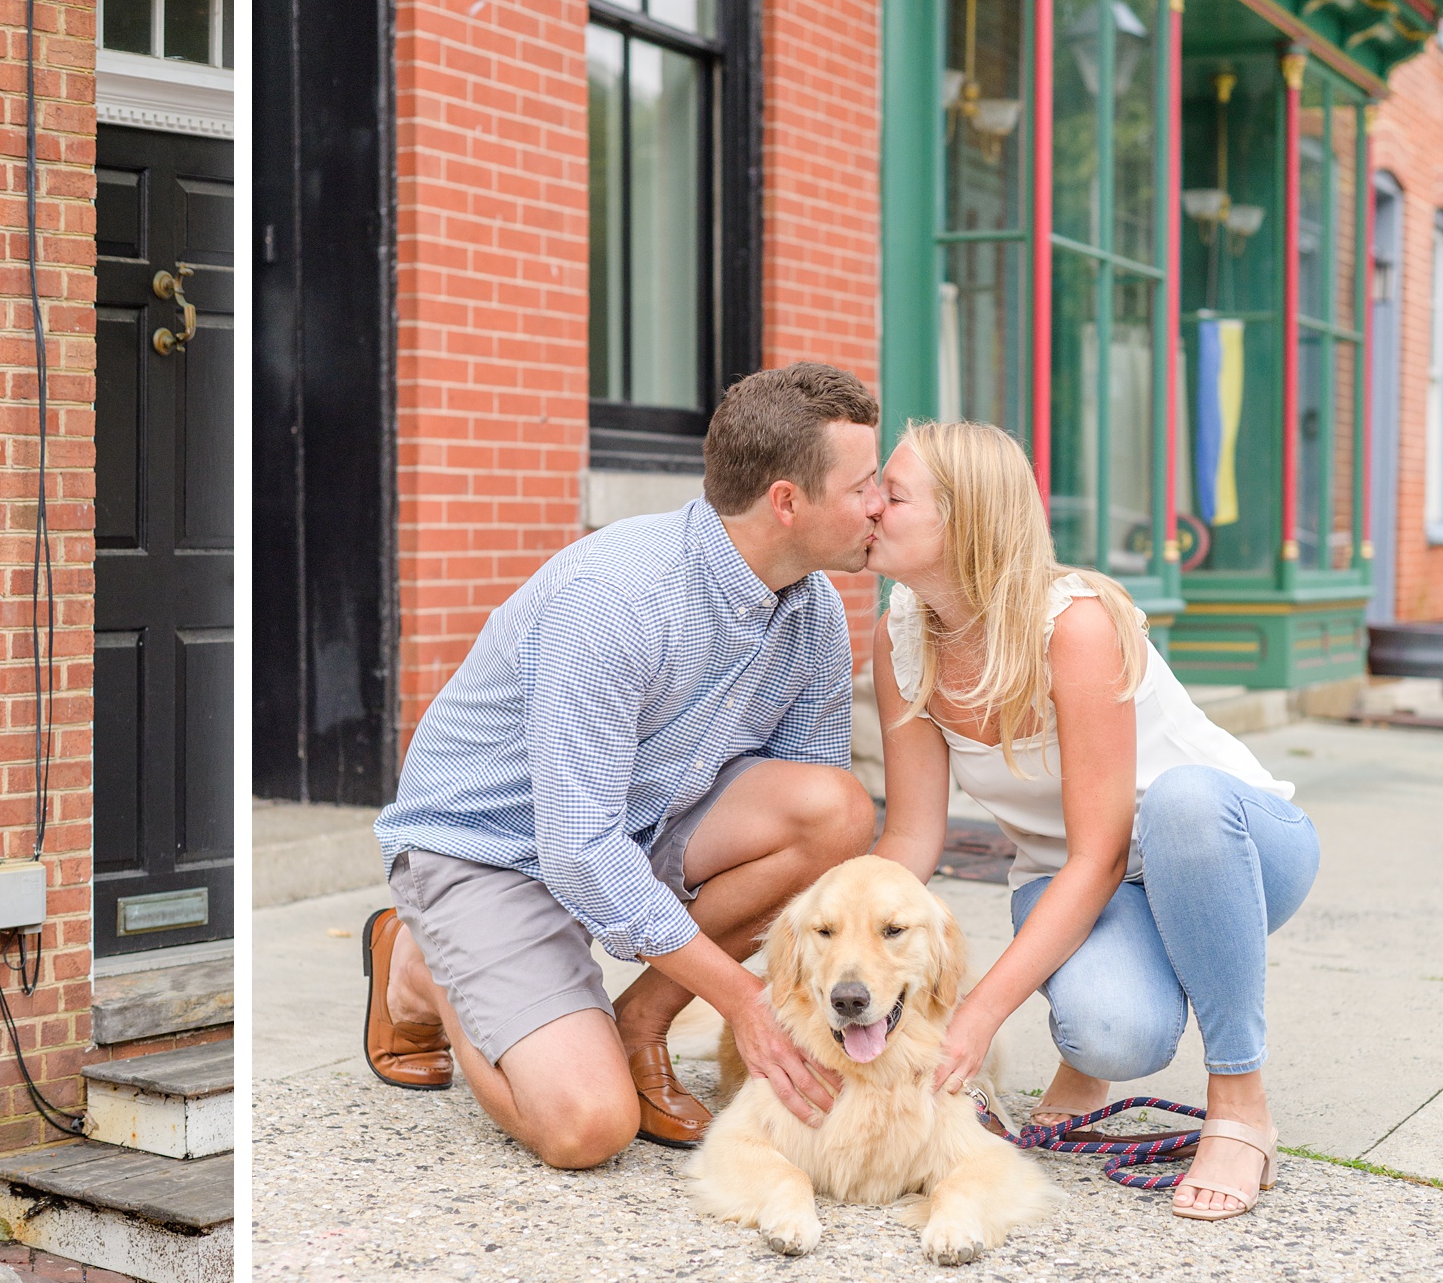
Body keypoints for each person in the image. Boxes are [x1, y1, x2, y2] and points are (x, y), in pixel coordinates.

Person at [366, 363, 885, 1170]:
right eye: (866, 486)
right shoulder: (616, 596)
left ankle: (637, 1025)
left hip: (640, 823)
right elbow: (576, 846)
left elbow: (809, 853)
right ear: (788, 501)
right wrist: (742, 999)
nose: (880, 505)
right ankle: (427, 964)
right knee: (586, 1130)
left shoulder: (813, 610)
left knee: (837, 812)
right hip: (490, 851)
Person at [867, 420, 1316, 1222]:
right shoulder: (901, 638)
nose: (868, 505)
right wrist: (850, 960)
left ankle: (1241, 1104)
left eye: (892, 494)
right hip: (1085, 875)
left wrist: (975, 1019)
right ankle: (1100, 1048)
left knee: (1182, 798)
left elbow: (1104, 852)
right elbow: (910, 840)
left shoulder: (1074, 625)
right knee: (1113, 1032)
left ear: (962, 521)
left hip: (1230, 845)